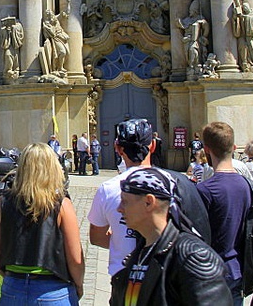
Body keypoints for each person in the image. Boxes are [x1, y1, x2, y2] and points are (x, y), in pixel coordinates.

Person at [88, 118, 211, 279]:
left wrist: (123, 242)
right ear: (153, 145)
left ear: (118, 148)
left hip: (124, 276)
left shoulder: (108, 189)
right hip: (167, 274)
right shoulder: (176, 182)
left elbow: (97, 237)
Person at [110, 168, 231, 306]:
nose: (119, 208)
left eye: (125, 201)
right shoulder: (140, 254)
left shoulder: (193, 255)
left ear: (149, 202)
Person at [0, 143, 84, 304]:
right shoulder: (62, 205)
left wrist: (9, 276)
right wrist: (78, 284)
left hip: (13, 287)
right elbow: (75, 258)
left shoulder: (3, 203)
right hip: (53, 288)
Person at [196, 122, 251, 306]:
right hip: (237, 269)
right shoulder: (246, 186)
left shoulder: (204, 189)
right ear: (234, 148)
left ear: (207, 149)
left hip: (210, 271)